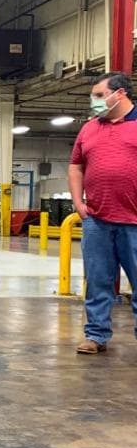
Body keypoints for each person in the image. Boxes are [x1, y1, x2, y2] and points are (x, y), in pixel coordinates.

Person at [69, 71, 137, 354]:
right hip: (97, 220)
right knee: (97, 281)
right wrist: (78, 202)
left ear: (119, 93)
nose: (94, 101)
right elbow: (75, 165)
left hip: (134, 222)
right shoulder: (89, 128)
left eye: (99, 95)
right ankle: (96, 335)